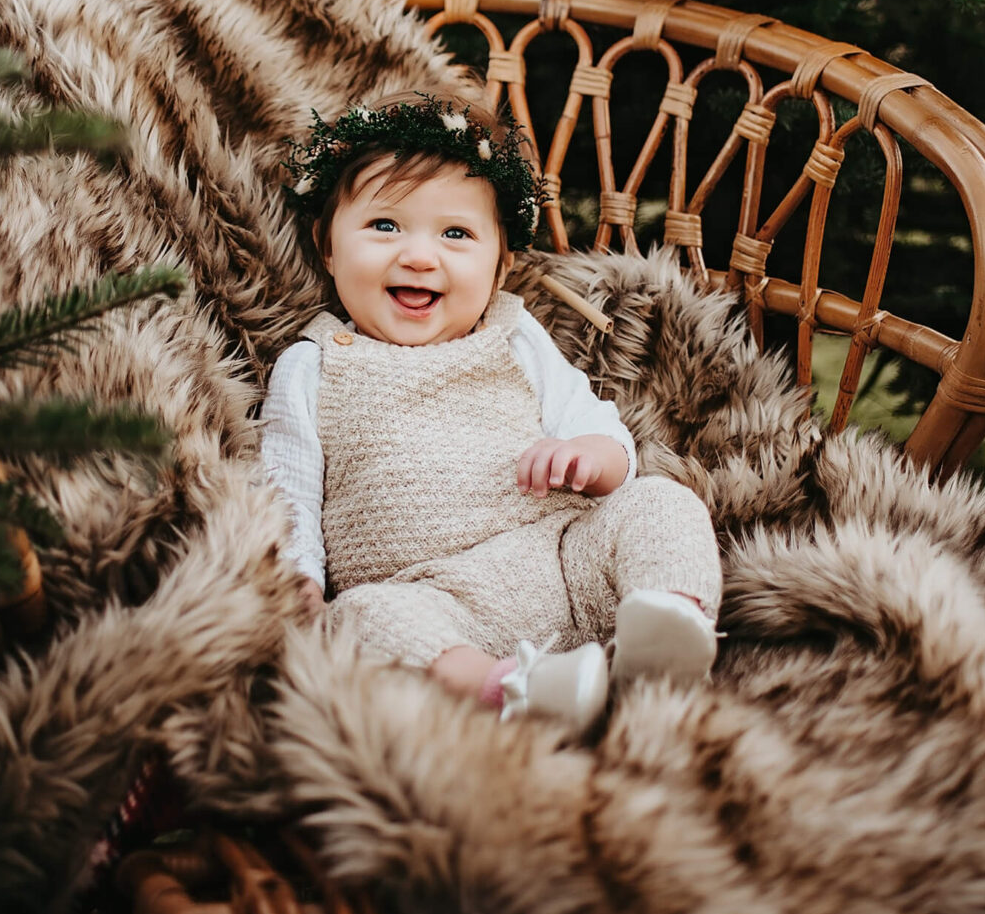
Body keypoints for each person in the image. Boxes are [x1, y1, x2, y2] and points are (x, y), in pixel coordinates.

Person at [260, 92, 724, 738]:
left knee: (659, 503)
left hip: (566, 562)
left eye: (456, 234)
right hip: (431, 598)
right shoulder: (313, 366)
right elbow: (287, 493)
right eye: (385, 226)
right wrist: (302, 579)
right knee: (360, 618)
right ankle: (511, 689)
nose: (421, 256)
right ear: (328, 247)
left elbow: (598, 425)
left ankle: (665, 628)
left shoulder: (514, 336)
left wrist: (592, 458)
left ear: (500, 265)